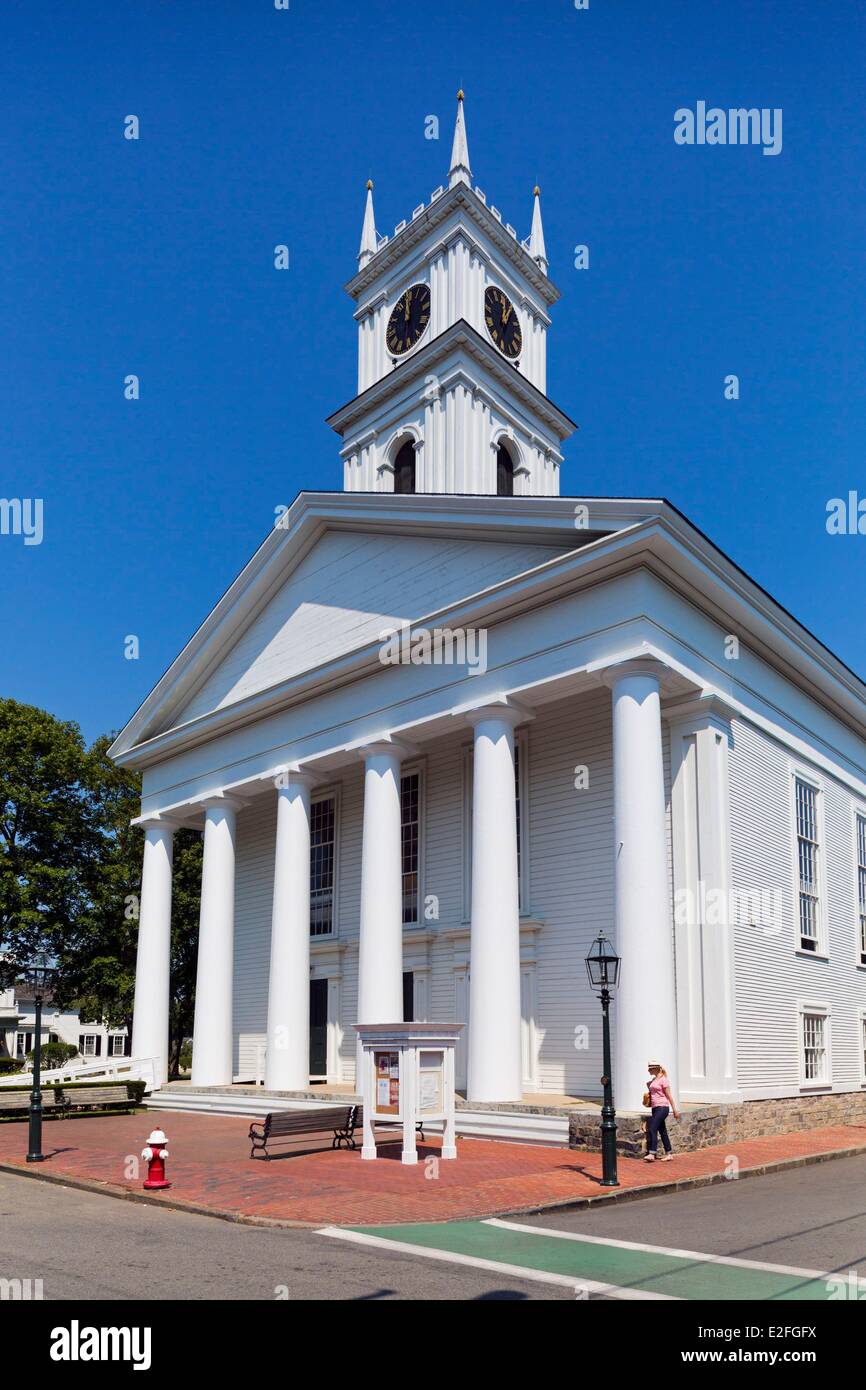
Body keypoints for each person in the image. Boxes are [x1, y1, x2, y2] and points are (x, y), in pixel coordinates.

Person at [644, 1060, 679, 1161]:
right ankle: (669, 1154)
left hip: (663, 1107)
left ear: (656, 1068)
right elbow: (651, 1090)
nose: (648, 1070)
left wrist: (675, 1110)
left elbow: (669, 1096)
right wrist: (651, 1084)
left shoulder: (664, 1080)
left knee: (652, 1128)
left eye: (650, 1068)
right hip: (655, 1108)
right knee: (662, 1131)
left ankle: (652, 1153)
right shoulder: (655, 1080)